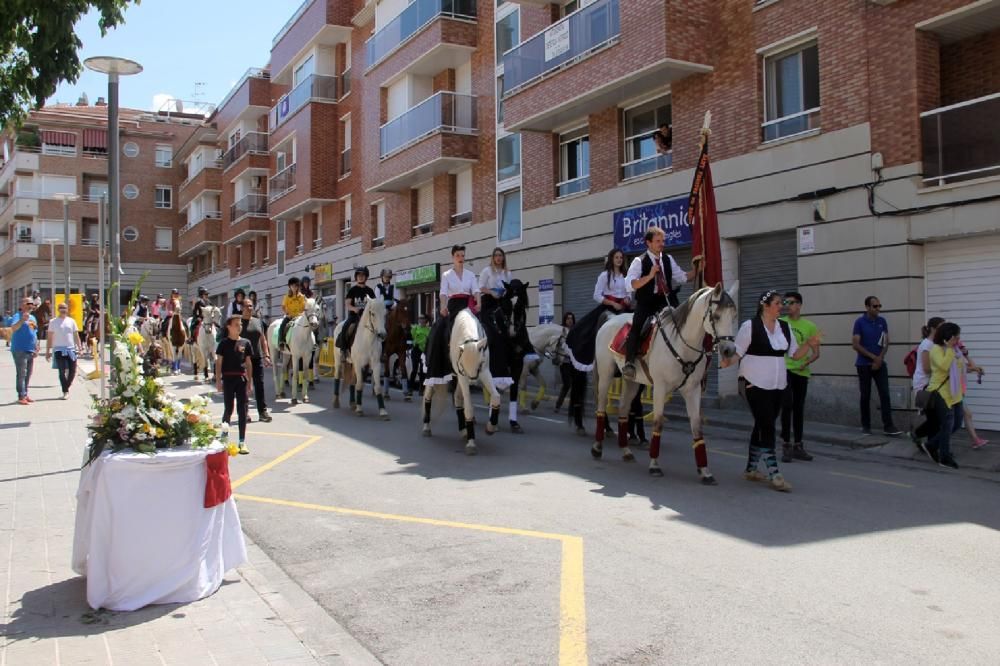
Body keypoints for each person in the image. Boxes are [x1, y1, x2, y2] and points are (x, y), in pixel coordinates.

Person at [722, 290, 820, 492]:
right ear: (765, 305)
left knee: (762, 423)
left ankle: (750, 469)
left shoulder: (784, 327)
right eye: (777, 303)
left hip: (778, 384)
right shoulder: (750, 326)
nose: (781, 306)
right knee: (767, 426)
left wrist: (809, 344)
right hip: (753, 383)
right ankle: (775, 474)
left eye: (781, 303)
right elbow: (737, 353)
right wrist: (725, 362)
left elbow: (794, 354)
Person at [623, 227, 695, 380]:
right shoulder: (639, 261)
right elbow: (630, 285)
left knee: (683, 322)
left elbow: (682, 277)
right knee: (638, 326)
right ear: (648, 243)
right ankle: (629, 362)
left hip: (666, 299)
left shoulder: (668, 259)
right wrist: (649, 276)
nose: (661, 244)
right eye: (657, 241)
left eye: (663, 241)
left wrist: (697, 269)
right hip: (646, 301)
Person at [566, 249, 630, 373]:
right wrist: (612, 303)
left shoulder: (625, 276)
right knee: (589, 330)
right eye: (616, 257)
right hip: (608, 307)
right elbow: (597, 295)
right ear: (612, 259)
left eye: (621, 258)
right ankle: (599, 356)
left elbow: (629, 293)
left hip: (623, 308)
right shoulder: (604, 275)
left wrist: (627, 299)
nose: (619, 260)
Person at [425, 245, 478, 383]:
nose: (461, 258)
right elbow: (443, 294)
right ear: (453, 257)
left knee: (483, 328)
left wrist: (479, 303)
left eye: (462, 255)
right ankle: (437, 364)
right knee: (439, 330)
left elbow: (476, 291)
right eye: (458, 256)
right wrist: (443, 307)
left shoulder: (470, 275)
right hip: (453, 306)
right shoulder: (447, 275)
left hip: (467, 306)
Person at [778, 291, 821, 463]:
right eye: (786, 302)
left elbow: (816, 353)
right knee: (786, 406)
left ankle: (798, 446)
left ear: (800, 305)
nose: (788, 305)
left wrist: (806, 362)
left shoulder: (810, 326)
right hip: (785, 371)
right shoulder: (780, 323)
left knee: (798, 409)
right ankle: (786, 445)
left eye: (792, 302)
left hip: (801, 372)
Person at [852, 296, 903, 436]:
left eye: (879, 306)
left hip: (880, 363)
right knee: (865, 395)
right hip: (864, 364)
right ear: (867, 307)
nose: (878, 309)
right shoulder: (860, 322)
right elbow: (855, 344)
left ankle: (888, 426)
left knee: (885, 394)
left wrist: (880, 358)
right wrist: (873, 358)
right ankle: (866, 425)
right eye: (875, 306)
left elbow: (886, 341)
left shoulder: (882, 321)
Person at [920, 322, 968, 469]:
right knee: (947, 425)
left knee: (957, 422)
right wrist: (949, 349)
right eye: (957, 335)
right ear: (949, 337)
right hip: (940, 393)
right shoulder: (936, 349)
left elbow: (960, 367)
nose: (959, 338)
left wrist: (973, 367)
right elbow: (945, 366)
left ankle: (931, 444)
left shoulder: (955, 350)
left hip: (955, 393)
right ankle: (944, 457)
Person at [216, 314, 253, 455]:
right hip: (228, 379)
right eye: (236, 325)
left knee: (242, 410)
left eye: (241, 324)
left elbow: (248, 363)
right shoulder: (223, 343)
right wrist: (218, 380)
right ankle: (224, 438)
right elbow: (219, 362)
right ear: (229, 327)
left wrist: (249, 381)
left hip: (241, 380)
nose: (239, 327)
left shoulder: (246, 343)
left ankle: (242, 441)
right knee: (228, 409)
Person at [911, 316, 945, 446]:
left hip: (933, 384)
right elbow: (926, 368)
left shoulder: (936, 344)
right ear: (932, 328)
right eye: (941, 327)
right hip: (924, 385)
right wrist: (943, 368)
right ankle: (919, 436)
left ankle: (929, 444)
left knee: (935, 418)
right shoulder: (927, 345)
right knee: (934, 419)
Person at [241, 299, 273, 423]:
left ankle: (262, 412)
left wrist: (267, 355)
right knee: (244, 386)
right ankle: (245, 411)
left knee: (259, 385)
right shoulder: (239, 322)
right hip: (243, 360)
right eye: (247, 306)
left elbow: (263, 339)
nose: (250, 308)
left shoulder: (257, 321)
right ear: (242, 308)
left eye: (251, 306)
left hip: (257, 358)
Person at [45, 301, 83, 399]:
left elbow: (76, 335)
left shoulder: (71, 321)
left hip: (71, 349)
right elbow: (49, 337)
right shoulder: (53, 322)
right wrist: (48, 352)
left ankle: (66, 386)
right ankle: (65, 391)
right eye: (61, 308)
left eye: (64, 308)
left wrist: (80, 348)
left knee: (72, 371)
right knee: (61, 371)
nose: (63, 310)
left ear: (67, 310)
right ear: (58, 309)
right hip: (58, 350)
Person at [335, 267, 376, 351]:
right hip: (354, 316)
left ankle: (381, 351)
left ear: (366, 277)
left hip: (368, 317)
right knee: (345, 327)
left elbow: (374, 303)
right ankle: (343, 350)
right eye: (358, 275)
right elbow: (347, 304)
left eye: (362, 275)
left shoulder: (370, 291)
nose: (360, 277)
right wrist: (354, 309)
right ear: (356, 277)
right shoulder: (352, 290)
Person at [10, 297, 39, 405]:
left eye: (31, 303)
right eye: (27, 303)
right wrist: (22, 320)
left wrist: (36, 346)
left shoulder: (33, 318)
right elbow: (13, 328)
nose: (30, 305)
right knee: (22, 373)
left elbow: (34, 332)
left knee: (28, 373)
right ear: (22, 305)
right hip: (19, 349)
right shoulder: (17, 316)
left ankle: (25, 394)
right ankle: (21, 396)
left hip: (30, 349)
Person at [554, 311, 576, 412]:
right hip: (565, 362)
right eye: (568, 318)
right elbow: (559, 344)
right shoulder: (561, 330)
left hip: (575, 362)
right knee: (567, 384)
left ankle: (574, 406)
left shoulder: (576, 329)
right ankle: (558, 405)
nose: (570, 320)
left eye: (571, 318)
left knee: (575, 384)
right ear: (565, 320)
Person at [278, 278, 306, 350]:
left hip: (299, 317)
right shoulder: (286, 297)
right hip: (290, 316)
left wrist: (302, 314)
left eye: (296, 286)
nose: (294, 287)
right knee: (282, 325)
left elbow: (304, 307)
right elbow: (283, 307)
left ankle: (313, 342)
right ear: (289, 286)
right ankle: (281, 341)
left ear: (298, 287)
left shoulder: (302, 297)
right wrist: (287, 314)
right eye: (292, 286)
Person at [409, 313, 430, 393]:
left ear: (426, 320)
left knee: (422, 370)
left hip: (424, 351)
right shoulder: (415, 328)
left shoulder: (428, 329)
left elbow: (428, 340)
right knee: (414, 369)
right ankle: (410, 388)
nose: (420, 319)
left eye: (422, 318)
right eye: (419, 318)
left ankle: (422, 388)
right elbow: (413, 337)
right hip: (416, 349)